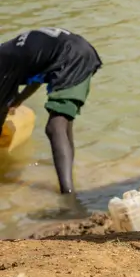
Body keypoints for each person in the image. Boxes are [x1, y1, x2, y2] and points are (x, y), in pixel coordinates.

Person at [0, 28, 102, 194]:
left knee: (54, 128)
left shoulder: (3, 63)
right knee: (64, 126)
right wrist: (19, 99)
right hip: (78, 52)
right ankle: (70, 184)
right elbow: (37, 74)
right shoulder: (12, 52)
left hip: (71, 59)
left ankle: (68, 197)